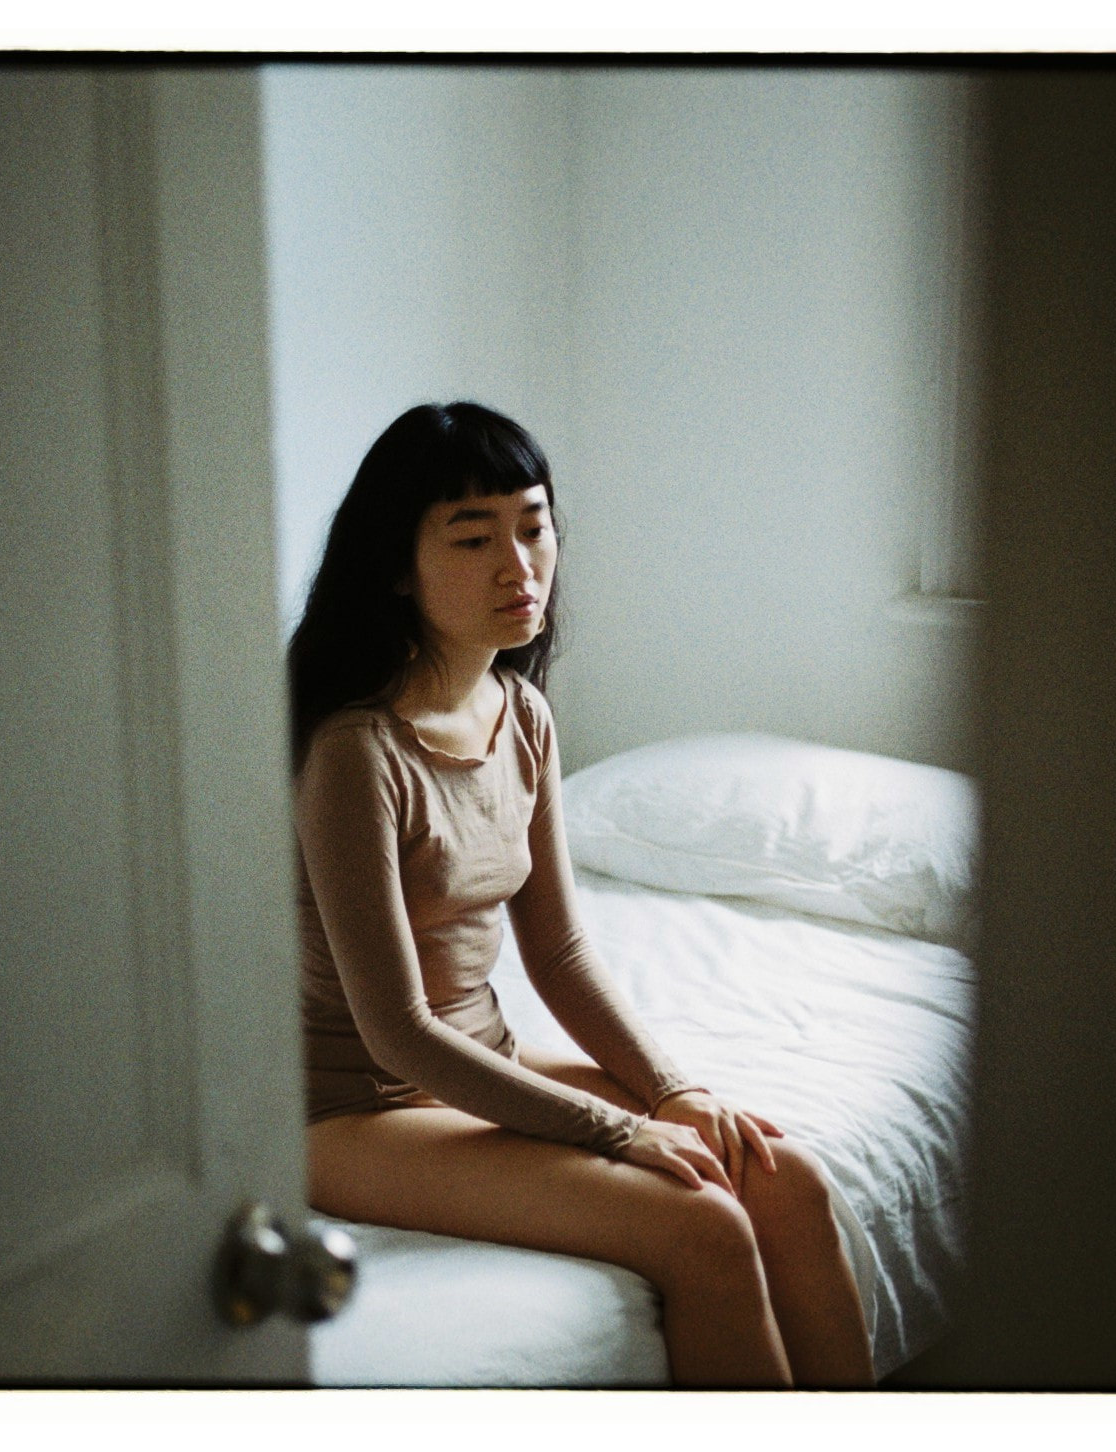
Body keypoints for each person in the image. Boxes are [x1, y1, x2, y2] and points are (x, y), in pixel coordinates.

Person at [287, 402, 874, 1389]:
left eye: (534, 526)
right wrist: (619, 1129)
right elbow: (396, 1034)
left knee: (785, 1179)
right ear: (396, 567)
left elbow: (558, 956)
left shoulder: (520, 713)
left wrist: (673, 1091)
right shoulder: (356, 750)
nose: (518, 566)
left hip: (479, 1061)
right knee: (700, 1225)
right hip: (353, 1110)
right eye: (472, 538)